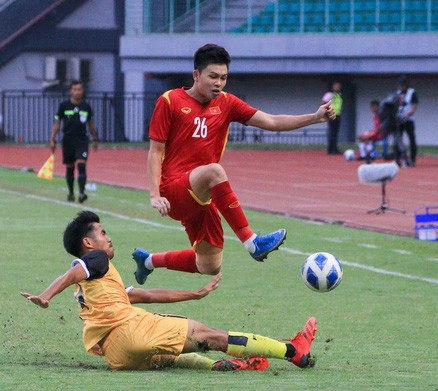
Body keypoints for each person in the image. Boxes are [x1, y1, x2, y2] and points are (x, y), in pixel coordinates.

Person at [133, 43, 335, 285]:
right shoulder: (170, 101)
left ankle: (147, 262)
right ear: (196, 75)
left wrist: (314, 118)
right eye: (213, 76)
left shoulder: (227, 103)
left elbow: (271, 121)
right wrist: (155, 195)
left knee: (209, 265)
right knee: (214, 171)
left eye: (224, 77)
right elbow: (155, 152)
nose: (219, 83)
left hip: (202, 195)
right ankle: (252, 243)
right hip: (174, 191)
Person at [21, 211, 318, 371]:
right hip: (130, 330)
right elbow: (72, 271)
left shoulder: (96, 285)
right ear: (88, 243)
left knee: (166, 355)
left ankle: (219, 366)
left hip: (116, 356)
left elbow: (146, 295)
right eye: (102, 233)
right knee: (210, 335)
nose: (108, 237)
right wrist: (46, 295)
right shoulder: (94, 260)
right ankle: (292, 350)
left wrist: (195, 293)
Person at [50, 80, 99, 203]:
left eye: (79, 89)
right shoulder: (64, 106)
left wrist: (95, 139)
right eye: (75, 89)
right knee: (70, 166)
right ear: (71, 91)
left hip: (81, 139)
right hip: (68, 139)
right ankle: (71, 193)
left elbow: (91, 124)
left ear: (82, 91)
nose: (77, 92)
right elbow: (57, 123)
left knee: (81, 164)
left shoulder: (86, 107)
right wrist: (53, 139)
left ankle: (82, 192)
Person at [395, 77, 419, 167]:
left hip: (408, 120)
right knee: (398, 139)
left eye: (401, 86)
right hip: (399, 119)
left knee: (411, 139)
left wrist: (408, 114)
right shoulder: (398, 94)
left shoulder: (412, 92)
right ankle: (398, 158)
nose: (400, 87)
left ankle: (412, 158)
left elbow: (414, 105)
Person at [322, 81, 343, 154]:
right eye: (336, 86)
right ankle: (332, 149)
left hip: (338, 114)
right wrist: (326, 112)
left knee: (335, 133)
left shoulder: (338, 95)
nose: (337, 87)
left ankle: (333, 148)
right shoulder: (330, 94)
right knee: (332, 132)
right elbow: (323, 102)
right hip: (332, 115)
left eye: (338, 86)